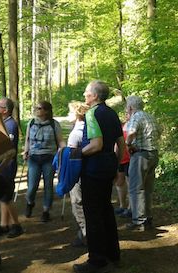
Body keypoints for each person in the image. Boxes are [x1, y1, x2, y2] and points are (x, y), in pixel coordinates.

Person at [72, 80, 125, 273]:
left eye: (87, 92)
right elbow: (121, 144)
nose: (85, 95)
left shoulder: (93, 113)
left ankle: (96, 260)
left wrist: (76, 153)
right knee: (106, 210)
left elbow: (96, 145)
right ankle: (113, 253)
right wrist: (116, 166)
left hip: (93, 170)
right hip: (108, 167)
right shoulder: (111, 113)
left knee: (93, 214)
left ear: (94, 96)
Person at [23, 101, 65, 222]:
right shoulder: (31, 123)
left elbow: (60, 140)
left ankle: (46, 211)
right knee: (32, 186)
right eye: (36, 107)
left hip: (49, 158)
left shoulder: (54, 124)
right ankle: (30, 202)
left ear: (46, 111)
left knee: (48, 185)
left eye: (39, 108)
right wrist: (26, 151)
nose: (36, 109)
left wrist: (64, 150)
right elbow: (27, 140)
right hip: (34, 158)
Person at [124, 95, 160, 231]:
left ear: (130, 107)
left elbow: (131, 132)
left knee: (136, 188)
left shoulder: (136, 117)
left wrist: (128, 144)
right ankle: (148, 218)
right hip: (154, 154)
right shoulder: (150, 116)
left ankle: (139, 220)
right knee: (148, 188)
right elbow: (159, 132)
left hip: (141, 155)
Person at [0, 97, 23, 238]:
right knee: (2, 196)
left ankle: (16, 225)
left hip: (7, 166)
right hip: (1, 165)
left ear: (5, 110)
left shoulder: (10, 125)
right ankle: (3, 225)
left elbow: (9, 150)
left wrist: (0, 166)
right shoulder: (3, 123)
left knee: (7, 197)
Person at [66, 101, 89, 247]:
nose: (69, 115)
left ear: (77, 114)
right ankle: (84, 233)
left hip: (77, 173)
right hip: (88, 172)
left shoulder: (76, 133)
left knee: (77, 203)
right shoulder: (88, 128)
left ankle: (86, 234)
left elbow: (72, 157)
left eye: (70, 112)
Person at [114, 119, 131, 218]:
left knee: (129, 183)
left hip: (129, 159)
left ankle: (130, 208)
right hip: (120, 160)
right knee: (119, 182)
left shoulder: (130, 128)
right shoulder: (116, 130)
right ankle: (122, 205)